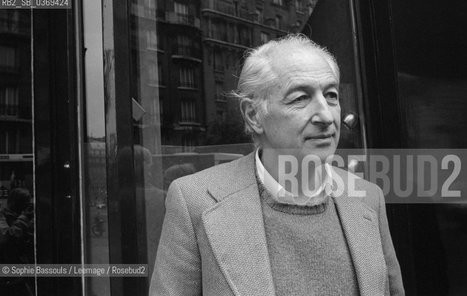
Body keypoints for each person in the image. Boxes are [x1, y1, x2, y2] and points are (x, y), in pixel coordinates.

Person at [150, 34, 404, 295]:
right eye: (300, 98)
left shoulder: (368, 198)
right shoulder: (195, 201)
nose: (326, 116)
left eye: (331, 95)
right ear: (253, 115)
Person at [0, 187, 34, 296]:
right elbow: (6, 239)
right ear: (14, 203)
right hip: (8, 276)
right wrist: (24, 218)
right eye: (23, 203)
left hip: (23, 272)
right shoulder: (2, 217)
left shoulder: (22, 218)